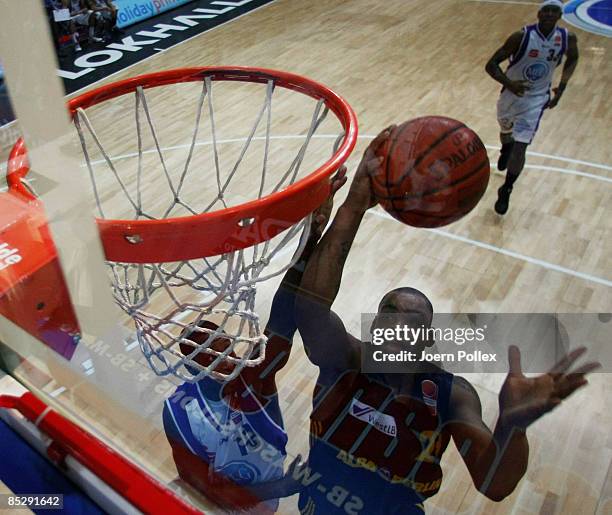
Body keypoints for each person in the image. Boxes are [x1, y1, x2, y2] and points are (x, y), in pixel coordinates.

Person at [294, 128, 599, 514]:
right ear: (374, 329)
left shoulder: (450, 395)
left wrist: (511, 426)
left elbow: (496, 485)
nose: (399, 327)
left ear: (426, 342)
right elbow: (310, 310)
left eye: (413, 323)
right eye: (390, 315)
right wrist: (354, 206)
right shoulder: (347, 359)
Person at [162, 171, 347, 513]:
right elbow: (202, 489)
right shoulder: (180, 408)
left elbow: (284, 316)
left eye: (227, 347)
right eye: (215, 355)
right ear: (194, 366)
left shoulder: (253, 382)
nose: (229, 356)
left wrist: (313, 234)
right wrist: (285, 485)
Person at [485, 0, 579, 215]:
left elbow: (573, 58)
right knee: (505, 129)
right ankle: (505, 147)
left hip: (536, 98)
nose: (548, 14)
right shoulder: (521, 36)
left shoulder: (566, 38)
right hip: (510, 94)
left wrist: (561, 88)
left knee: (522, 145)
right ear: (538, 13)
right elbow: (490, 65)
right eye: (545, 10)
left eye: (554, 11)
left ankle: (507, 187)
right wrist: (510, 84)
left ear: (560, 15)